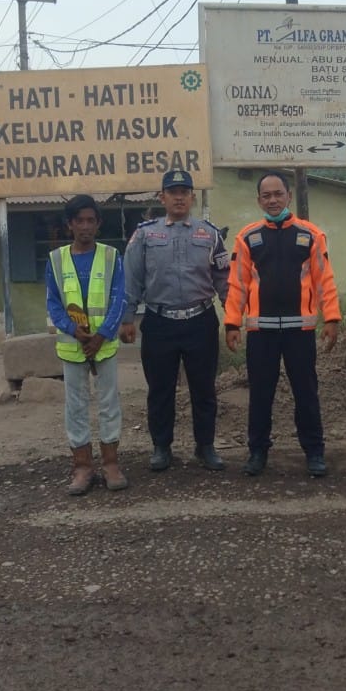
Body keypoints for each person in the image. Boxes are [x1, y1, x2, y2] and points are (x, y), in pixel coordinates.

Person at [224, 171, 342, 478]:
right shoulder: (247, 237)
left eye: (278, 194)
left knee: (306, 393)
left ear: (289, 196)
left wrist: (332, 318)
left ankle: (314, 451)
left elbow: (324, 280)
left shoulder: (311, 234)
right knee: (260, 395)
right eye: (267, 195)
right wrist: (232, 323)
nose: (273, 200)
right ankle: (257, 451)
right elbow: (238, 283)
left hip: (299, 332)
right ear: (259, 200)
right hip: (260, 332)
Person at [119, 169, 230, 472]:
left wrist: (233, 318)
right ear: (162, 197)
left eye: (184, 192)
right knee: (160, 390)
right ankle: (161, 447)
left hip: (200, 321)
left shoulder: (210, 234)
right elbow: (131, 278)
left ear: (192, 197)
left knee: (204, 388)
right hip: (159, 322)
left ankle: (205, 446)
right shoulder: (145, 235)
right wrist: (127, 318)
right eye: (173, 192)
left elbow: (223, 278)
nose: (179, 197)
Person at [45, 193, 129, 495]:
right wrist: (73, 330)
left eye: (90, 220)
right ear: (70, 224)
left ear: (98, 224)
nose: (85, 226)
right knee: (76, 406)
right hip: (72, 345)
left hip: (103, 345)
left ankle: (111, 464)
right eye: (79, 221)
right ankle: (82, 467)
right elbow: (53, 303)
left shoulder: (111, 256)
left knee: (109, 403)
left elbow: (119, 298)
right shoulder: (56, 259)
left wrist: (102, 334)